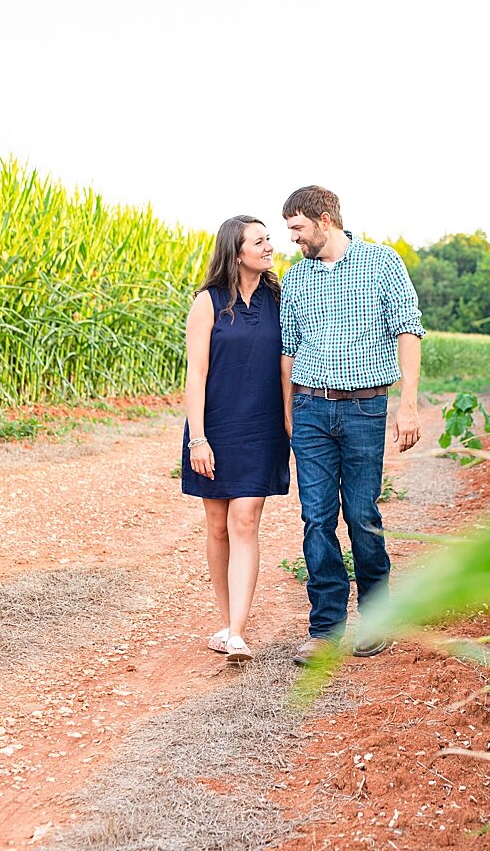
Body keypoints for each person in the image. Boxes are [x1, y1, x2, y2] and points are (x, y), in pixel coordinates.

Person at [279, 185, 424, 665]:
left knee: (362, 516)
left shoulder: (382, 263)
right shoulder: (297, 279)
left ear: (323, 220)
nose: (293, 238)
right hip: (311, 411)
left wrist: (409, 405)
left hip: (365, 408)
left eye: (297, 228)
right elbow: (288, 351)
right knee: (316, 518)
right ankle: (325, 629)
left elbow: (408, 329)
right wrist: (288, 414)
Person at [181, 215, 293, 663]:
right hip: (215, 427)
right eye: (259, 241)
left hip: (262, 425)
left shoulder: (280, 298)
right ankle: (227, 623)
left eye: (269, 239)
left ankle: (239, 633)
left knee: (245, 519)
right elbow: (196, 373)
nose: (269, 247)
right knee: (216, 525)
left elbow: (288, 362)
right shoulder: (208, 302)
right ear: (236, 251)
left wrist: (289, 420)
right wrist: (198, 439)